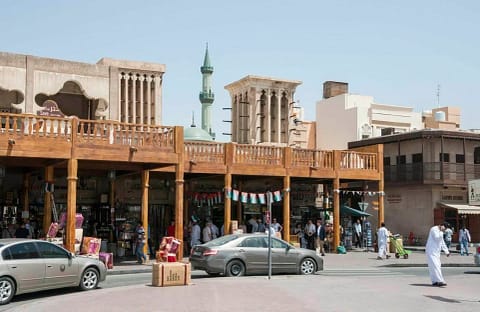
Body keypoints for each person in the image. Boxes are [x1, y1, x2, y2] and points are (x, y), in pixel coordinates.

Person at [426, 222, 450, 287]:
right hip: (431, 251)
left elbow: (442, 242)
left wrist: (446, 251)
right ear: (441, 225)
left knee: (436, 266)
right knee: (435, 265)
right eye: (445, 228)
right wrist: (441, 232)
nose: (445, 230)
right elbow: (437, 238)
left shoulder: (440, 232)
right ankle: (440, 280)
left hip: (436, 252)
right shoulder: (434, 229)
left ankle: (434, 281)